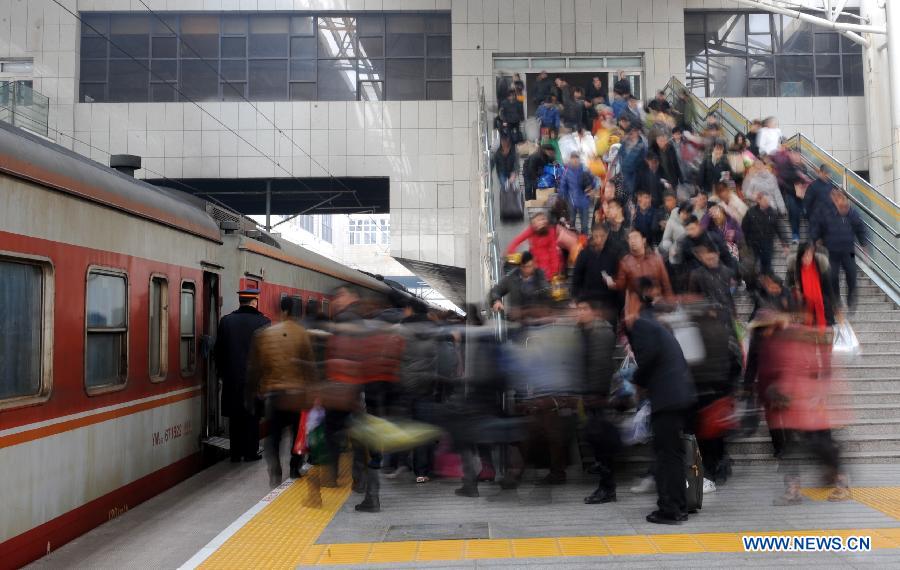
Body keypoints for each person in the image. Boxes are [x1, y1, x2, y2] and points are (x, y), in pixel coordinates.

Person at [628, 279, 697, 525]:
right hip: (678, 395)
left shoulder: (642, 325)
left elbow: (649, 359)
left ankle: (671, 509)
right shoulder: (656, 324)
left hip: (667, 398)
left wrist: (637, 381)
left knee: (667, 456)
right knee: (672, 455)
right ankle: (678, 505)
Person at [248, 295, 316, 485]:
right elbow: (309, 367)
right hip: (297, 395)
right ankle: (295, 467)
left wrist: (254, 392)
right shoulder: (302, 334)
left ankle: (275, 468)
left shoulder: (265, 334)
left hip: (275, 394)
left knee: (274, 436)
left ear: (282, 311)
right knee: (297, 434)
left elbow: (256, 368)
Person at [215, 288, 271, 463]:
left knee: (235, 418)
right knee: (252, 418)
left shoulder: (226, 322)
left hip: (232, 380)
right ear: (254, 301)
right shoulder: (264, 322)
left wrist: (223, 374)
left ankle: (235, 453)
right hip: (254, 381)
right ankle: (250, 452)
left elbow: (219, 352)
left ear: (241, 301)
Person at [577, 299, 620, 505]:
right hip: (594, 394)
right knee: (598, 441)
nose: (579, 312)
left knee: (601, 442)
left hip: (598, 396)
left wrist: (595, 394)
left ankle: (607, 488)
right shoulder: (588, 331)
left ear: (594, 311)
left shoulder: (599, 333)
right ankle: (605, 484)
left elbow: (600, 366)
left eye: (583, 308)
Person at [810, 189, 867, 310]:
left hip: (849, 251)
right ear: (835, 202)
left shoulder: (852, 212)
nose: (843, 207)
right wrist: (816, 239)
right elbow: (817, 226)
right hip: (831, 251)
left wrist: (863, 244)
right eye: (839, 201)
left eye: (844, 203)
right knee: (832, 276)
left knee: (852, 273)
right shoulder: (826, 212)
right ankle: (836, 298)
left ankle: (851, 296)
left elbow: (859, 227)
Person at [613, 229, 674, 321]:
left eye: (635, 237)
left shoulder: (657, 259)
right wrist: (612, 283)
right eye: (630, 239)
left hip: (656, 303)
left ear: (643, 240)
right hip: (636, 308)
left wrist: (669, 301)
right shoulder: (625, 262)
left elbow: (666, 284)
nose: (632, 241)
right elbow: (621, 286)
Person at [570, 225, 623, 313]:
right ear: (592, 235)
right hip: (588, 299)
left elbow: (618, 275)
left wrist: (613, 283)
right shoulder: (584, 254)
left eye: (602, 236)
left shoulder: (613, 254)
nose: (599, 239)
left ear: (606, 235)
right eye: (596, 236)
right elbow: (577, 276)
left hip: (607, 300)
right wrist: (575, 297)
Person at [786, 242, 836, 330]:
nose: (806, 259)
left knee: (826, 302)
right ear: (800, 257)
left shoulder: (821, 264)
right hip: (802, 298)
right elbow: (787, 286)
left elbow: (829, 289)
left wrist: (836, 308)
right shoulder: (794, 266)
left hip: (820, 296)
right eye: (804, 256)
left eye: (809, 255)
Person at [742, 192, 790, 277]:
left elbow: (780, 228)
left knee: (767, 265)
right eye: (765, 200)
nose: (767, 202)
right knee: (753, 265)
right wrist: (746, 241)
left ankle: (767, 278)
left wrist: (785, 243)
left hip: (767, 243)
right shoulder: (751, 212)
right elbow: (744, 227)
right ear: (758, 200)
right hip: (754, 243)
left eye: (768, 200)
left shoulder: (773, 213)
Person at [490, 251, 550, 315]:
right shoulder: (512, 277)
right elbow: (496, 290)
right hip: (517, 319)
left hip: (537, 318)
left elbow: (546, 289)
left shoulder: (539, 275)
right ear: (520, 266)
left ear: (533, 265)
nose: (527, 270)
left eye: (530, 266)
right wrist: (497, 301)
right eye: (525, 267)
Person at [506, 212, 563, 279]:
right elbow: (518, 240)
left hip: (546, 264)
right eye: (538, 220)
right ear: (534, 223)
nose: (541, 222)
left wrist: (554, 270)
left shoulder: (550, 231)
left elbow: (553, 252)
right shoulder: (531, 230)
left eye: (542, 219)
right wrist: (511, 251)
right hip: (534, 261)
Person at [688, 244, 736, 320]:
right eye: (707, 259)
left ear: (718, 255)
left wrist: (734, 314)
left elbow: (732, 296)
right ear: (702, 258)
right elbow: (694, 297)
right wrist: (707, 309)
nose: (710, 262)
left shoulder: (728, 272)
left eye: (712, 258)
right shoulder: (697, 275)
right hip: (708, 315)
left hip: (727, 312)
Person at [559, 152, 595, 234]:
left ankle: (584, 242)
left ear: (579, 159)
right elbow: (563, 186)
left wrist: (591, 187)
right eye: (573, 158)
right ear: (570, 160)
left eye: (576, 158)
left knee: (585, 225)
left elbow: (593, 181)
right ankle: (572, 242)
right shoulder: (567, 171)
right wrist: (561, 198)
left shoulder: (585, 169)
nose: (575, 160)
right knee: (571, 224)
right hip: (571, 201)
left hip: (584, 201)